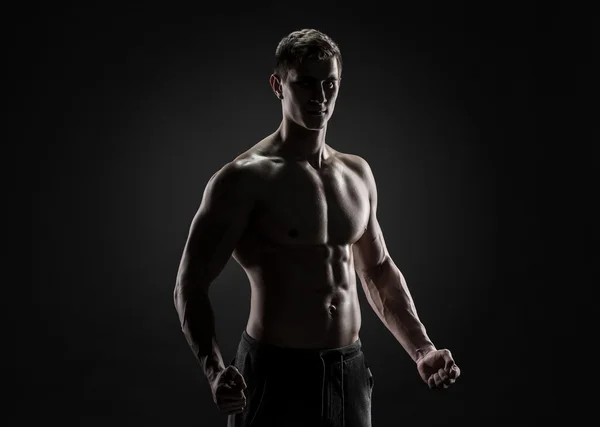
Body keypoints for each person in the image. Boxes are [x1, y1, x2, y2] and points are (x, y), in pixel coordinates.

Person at [174, 28, 461, 427]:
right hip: (276, 374)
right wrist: (214, 371)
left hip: (349, 371)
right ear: (278, 85)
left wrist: (422, 350)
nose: (320, 97)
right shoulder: (243, 180)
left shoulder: (357, 174)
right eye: (305, 84)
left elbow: (377, 270)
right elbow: (190, 284)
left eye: (330, 84)